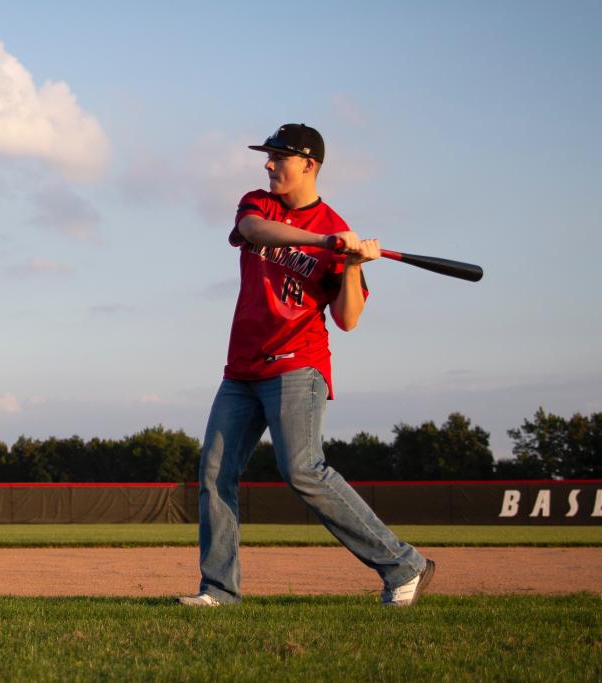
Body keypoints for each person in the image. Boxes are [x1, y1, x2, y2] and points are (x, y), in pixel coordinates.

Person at [179, 124, 434, 607]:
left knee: (303, 469)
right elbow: (253, 231)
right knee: (215, 473)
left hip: (298, 364)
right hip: (242, 369)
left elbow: (347, 319)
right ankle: (219, 590)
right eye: (269, 156)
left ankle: (404, 564)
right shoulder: (261, 204)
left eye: (279, 157)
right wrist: (325, 242)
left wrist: (354, 261)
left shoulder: (338, 229)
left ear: (308, 165)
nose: (269, 164)